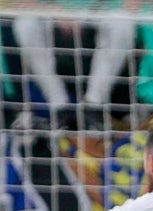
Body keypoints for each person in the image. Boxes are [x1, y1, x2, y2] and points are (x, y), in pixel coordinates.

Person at [12, 1, 138, 131]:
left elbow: (132, 4)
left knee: (123, 23)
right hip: (52, 13)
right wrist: (55, 11)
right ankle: (60, 105)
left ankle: (93, 103)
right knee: (25, 24)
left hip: (102, 10)